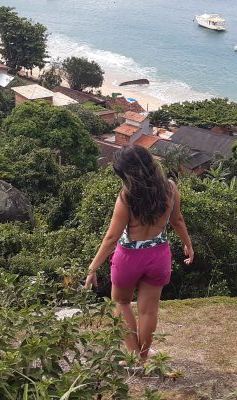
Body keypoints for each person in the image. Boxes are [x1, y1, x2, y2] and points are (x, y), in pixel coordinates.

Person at [84, 145, 194, 362]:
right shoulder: (170, 189)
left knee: (121, 303)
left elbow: (111, 237)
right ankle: (143, 356)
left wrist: (92, 268)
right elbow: (177, 220)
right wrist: (188, 245)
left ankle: (133, 355)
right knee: (149, 310)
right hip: (158, 255)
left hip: (129, 257)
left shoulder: (127, 196)